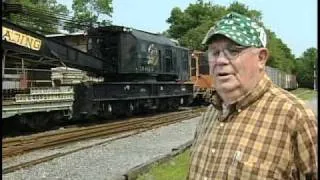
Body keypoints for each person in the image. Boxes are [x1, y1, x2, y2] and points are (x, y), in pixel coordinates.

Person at [187, 12, 317, 180]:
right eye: (214, 52)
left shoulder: (296, 117)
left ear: (261, 58)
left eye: (233, 51)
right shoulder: (208, 116)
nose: (220, 60)